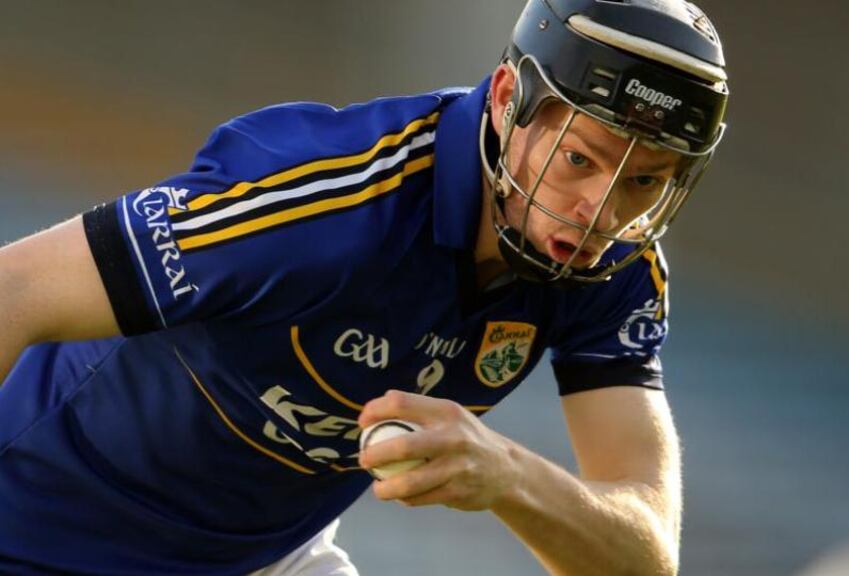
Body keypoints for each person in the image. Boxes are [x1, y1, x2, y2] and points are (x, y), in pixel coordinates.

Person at [0, 0, 728, 574]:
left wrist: (509, 475)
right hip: (38, 526)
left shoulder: (615, 267)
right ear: (509, 98)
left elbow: (642, 559)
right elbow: (17, 286)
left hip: (262, 559)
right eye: (578, 157)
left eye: (643, 181)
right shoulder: (328, 198)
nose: (601, 209)